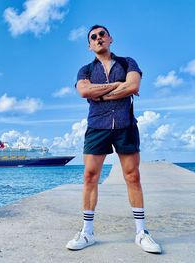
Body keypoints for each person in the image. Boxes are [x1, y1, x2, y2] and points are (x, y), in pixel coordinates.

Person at [66, 25, 161, 254]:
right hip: (97, 126)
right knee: (90, 176)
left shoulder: (128, 62)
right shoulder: (85, 70)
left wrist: (104, 93)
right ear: (89, 46)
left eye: (102, 35)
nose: (98, 38)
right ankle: (87, 232)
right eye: (93, 37)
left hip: (125, 125)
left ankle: (141, 232)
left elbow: (134, 85)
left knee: (132, 176)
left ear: (110, 38)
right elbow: (84, 92)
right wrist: (118, 87)